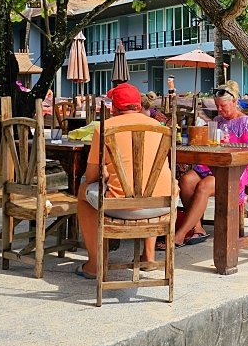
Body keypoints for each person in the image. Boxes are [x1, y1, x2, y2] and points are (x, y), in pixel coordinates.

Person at [74, 83, 175, 279]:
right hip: (163, 205)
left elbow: (91, 176)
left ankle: (94, 264)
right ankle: (148, 257)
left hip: (122, 207)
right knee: (150, 185)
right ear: (139, 105)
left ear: (113, 108)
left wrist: (105, 173)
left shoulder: (104, 128)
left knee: (83, 192)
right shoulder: (161, 128)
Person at [168, 80, 248, 248]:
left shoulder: (245, 122)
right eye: (217, 106)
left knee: (203, 186)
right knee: (186, 181)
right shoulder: (217, 120)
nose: (219, 110)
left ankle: (179, 235)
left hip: (236, 168)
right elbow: (211, 144)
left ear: (234, 102)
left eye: (223, 106)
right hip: (215, 164)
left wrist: (229, 147)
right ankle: (197, 228)